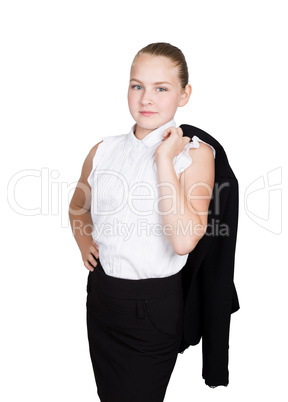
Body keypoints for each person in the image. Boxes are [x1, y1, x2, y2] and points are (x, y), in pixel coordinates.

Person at [69, 42, 216, 402]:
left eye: (160, 88)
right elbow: (77, 205)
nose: (146, 99)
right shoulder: (102, 149)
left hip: (151, 310)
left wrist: (164, 159)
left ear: (184, 94)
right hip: (102, 299)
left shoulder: (194, 156)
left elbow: (183, 242)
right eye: (137, 86)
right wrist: (84, 240)